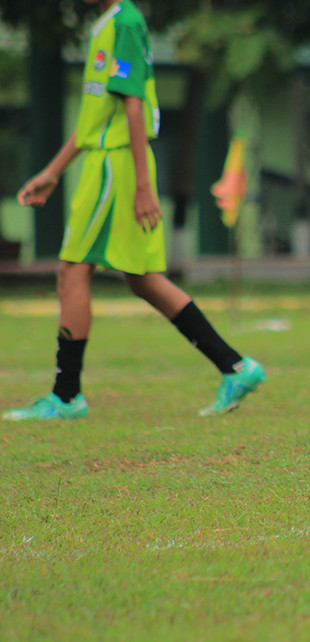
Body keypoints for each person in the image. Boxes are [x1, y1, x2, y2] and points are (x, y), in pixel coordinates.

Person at [2, 0, 265, 421]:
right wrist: (53, 171)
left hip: (115, 165)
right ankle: (236, 367)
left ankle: (66, 395)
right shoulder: (108, 23)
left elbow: (133, 107)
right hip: (108, 160)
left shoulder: (125, 21)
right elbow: (96, 116)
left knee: (72, 271)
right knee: (144, 280)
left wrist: (143, 186)